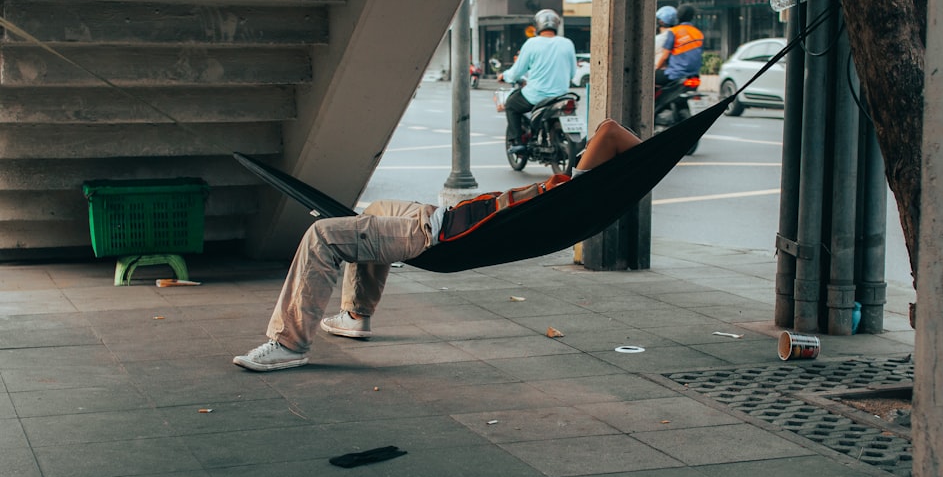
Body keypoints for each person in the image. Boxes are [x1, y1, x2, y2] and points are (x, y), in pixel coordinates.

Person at [233, 118, 641, 372]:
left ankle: (288, 343)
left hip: (432, 236)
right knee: (368, 215)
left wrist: (650, 160)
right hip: (431, 216)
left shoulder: (576, 191)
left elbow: (609, 131)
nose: (584, 150)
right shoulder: (573, 199)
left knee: (322, 234)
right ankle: (355, 315)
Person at [497, 9, 577, 149]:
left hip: (536, 96)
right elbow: (572, 74)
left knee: (511, 105)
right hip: (562, 96)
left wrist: (504, 76)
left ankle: (518, 142)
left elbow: (517, 71)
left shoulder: (531, 44)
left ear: (538, 26)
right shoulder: (567, 43)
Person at [654, 3, 704, 101]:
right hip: (694, 75)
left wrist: (656, 68)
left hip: (675, 74)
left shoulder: (674, 32)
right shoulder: (698, 33)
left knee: (648, 79)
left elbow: (665, 56)